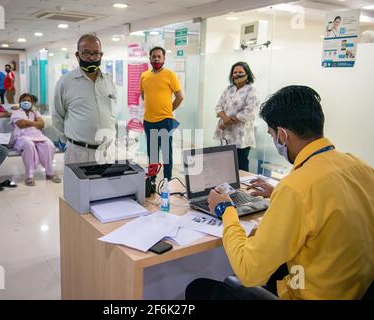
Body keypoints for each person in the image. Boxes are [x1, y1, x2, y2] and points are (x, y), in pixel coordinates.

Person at [186, 85, 374, 300]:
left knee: (199, 289)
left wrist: (225, 208)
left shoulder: (296, 188)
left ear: (283, 135)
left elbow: (248, 271)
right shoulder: (361, 167)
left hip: (309, 293)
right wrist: (278, 193)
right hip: (353, 288)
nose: (274, 140)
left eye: (272, 134)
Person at [53, 34, 116, 164]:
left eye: (96, 53)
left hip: (106, 151)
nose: (92, 57)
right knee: (78, 185)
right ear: (77, 55)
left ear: (101, 55)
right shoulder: (65, 82)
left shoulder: (108, 80)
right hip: (78, 152)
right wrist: (70, 143)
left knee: (105, 185)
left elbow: (111, 113)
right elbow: (57, 116)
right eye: (86, 53)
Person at [140, 46, 184, 181]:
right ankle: (152, 181)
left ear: (164, 58)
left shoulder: (170, 74)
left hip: (165, 121)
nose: (156, 59)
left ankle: (167, 181)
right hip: (149, 121)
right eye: (154, 56)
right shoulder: (144, 76)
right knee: (152, 154)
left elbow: (180, 97)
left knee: (166, 153)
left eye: (159, 56)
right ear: (150, 58)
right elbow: (144, 96)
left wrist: (168, 110)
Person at [214, 62, 258, 172]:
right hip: (225, 134)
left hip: (241, 136)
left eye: (240, 72)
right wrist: (224, 118)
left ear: (247, 74)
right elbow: (219, 106)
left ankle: (242, 188)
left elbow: (249, 112)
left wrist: (227, 122)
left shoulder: (251, 91)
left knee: (240, 166)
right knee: (225, 165)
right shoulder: (228, 89)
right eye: (235, 72)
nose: (237, 75)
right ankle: (226, 187)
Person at [11, 93, 61, 186]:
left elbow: (42, 124)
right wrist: (35, 122)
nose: (26, 102)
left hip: (38, 136)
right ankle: (29, 176)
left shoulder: (34, 112)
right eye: (24, 100)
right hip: (22, 137)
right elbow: (21, 124)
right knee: (29, 144)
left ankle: (49, 173)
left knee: (49, 144)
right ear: (20, 102)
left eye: (28, 101)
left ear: (32, 103)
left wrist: (28, 122)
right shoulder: (16, 112)